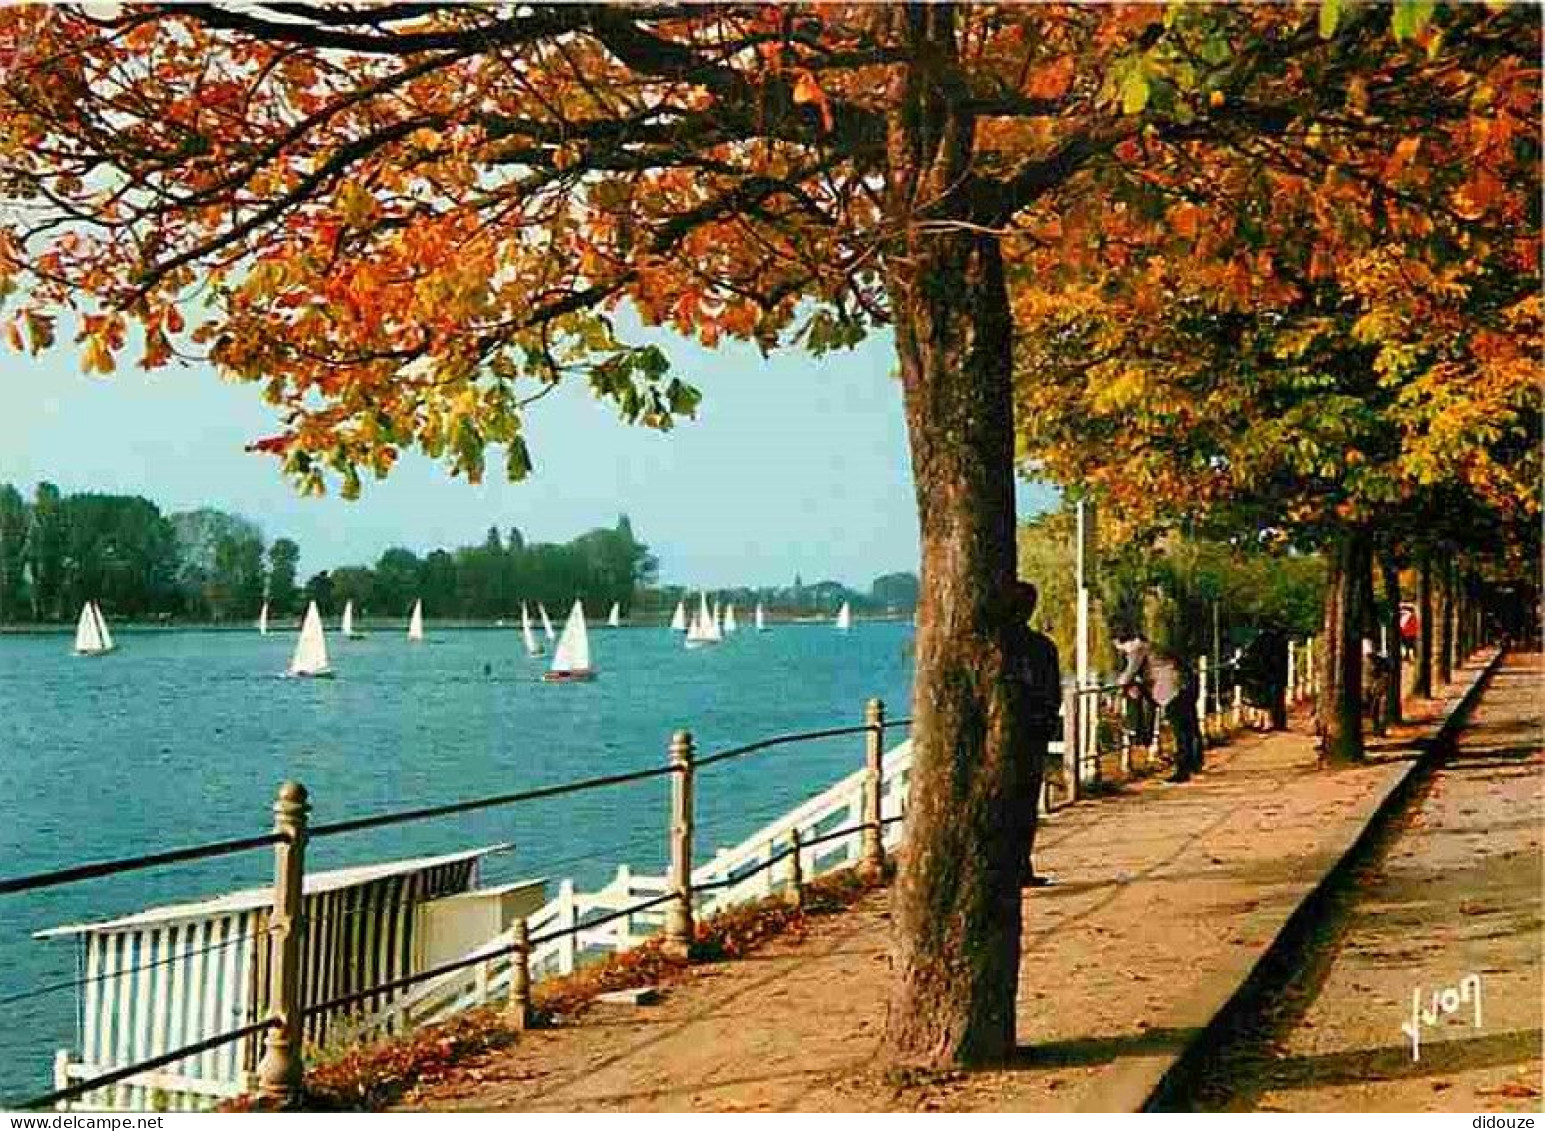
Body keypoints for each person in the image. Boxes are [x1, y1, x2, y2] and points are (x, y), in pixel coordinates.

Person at [1004, 580, 1061, 888]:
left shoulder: (1000, 647)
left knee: (1011, 804)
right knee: (1025, 804)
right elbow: (1054, 693)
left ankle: (1010, 867)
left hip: (1013, 733)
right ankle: (1020, 866)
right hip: (1033, 733)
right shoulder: (1043, 646)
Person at [1116, 630, 1203, 783]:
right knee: (1190, 727)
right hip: (1186, 684)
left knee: (1180, 731)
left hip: (1173, 691)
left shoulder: (1138, 649)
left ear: (1130, 641)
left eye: (1122, 648)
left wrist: (1119, 687)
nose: (1124, 652)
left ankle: (1182, 771)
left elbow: (1128, 674)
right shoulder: (1154, 647)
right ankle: (1194, 762)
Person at [1362, 638, 1390, 737]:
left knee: (1381, 710)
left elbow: (1385, 674)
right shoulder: (1360, 662)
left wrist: (1379, 686)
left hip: (1379, 689)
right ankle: (1375, 729)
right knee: (1372, 712)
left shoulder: (1381, 661)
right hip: (1366, 690)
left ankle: (1381, 730)